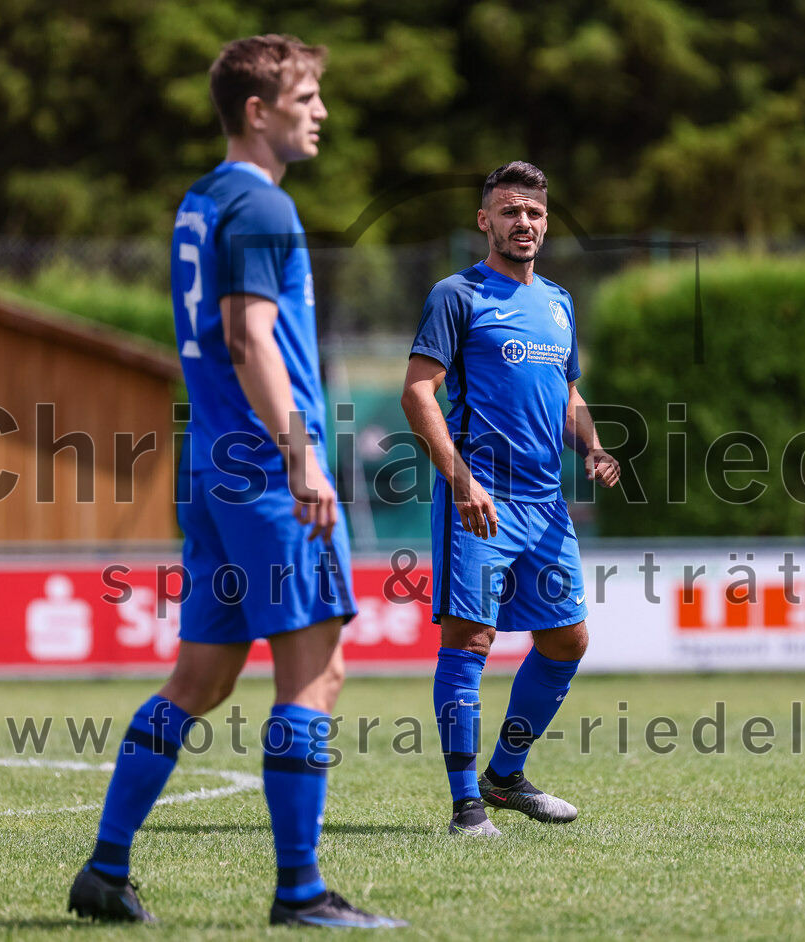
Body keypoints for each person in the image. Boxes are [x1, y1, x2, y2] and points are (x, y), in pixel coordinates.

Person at [68, 34, 406, 929]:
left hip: (214, 467)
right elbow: (251, 334)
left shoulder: (201, 200)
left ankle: (105, 869)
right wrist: (300, 457)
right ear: (258, 112)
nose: (321, 111)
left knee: (200, 682)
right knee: (317, 677)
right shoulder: (262, 208)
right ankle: (300, 892)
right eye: (306, 97)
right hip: (264, 471)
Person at [401, 161, 620, 836]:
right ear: (485, 221)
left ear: (546, 223)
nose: (522, 223)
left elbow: (568, 393)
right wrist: (461, 480)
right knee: (471, 639)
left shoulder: (558, 301)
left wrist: (591, 444)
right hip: (481, 499)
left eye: (533, 213)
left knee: (567, 640)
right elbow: (417, 391)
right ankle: (467, 804)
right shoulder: (456, 295)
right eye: (509, 211)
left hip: (546, 504)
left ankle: (504, 776)